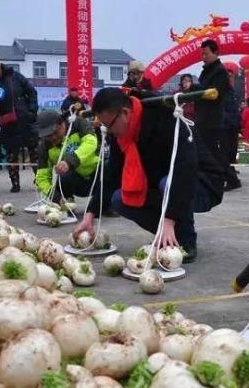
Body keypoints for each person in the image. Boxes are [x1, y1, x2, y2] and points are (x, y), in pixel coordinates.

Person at [75, 88, 224, 264]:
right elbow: (111, 174)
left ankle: (185, 240)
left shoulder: (165, 118)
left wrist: (169, 219)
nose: (109, 131)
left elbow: (184, 169)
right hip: (164, 184)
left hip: (200, 182)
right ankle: (169, 236)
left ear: (125, 112)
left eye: (110, 125)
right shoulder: (121, 135)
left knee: (167, 183)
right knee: (119, 199)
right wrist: (90, 213)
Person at [0, 53, 38, 192]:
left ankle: (40, 179)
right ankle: (15, 183)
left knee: (34, 152)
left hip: (26, 120)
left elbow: (31, 92)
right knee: (12, 155)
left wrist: (32, 111)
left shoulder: (15, 76)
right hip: (8, 125)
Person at [195, 39, 237, 190]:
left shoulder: (220, 71)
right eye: (202, 54)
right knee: (208, 151)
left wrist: (195, 88)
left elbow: (215, 94)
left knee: (214, 152)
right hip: (202, 116)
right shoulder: (205, 71)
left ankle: (231, 179)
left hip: (212, 118)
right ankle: (213, 178)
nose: (203, 56)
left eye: (206, 53)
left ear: (216, 53)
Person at [34, 109, 99, 201]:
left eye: (55, 132)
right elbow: (42, 177)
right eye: (48, 135)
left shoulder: (78, 123)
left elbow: (90, 143)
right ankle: (66, 202)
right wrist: (55, 197)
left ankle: (104, 203)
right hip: (75, 182)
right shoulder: (44, 146)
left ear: (62, 124)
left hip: (96, 175)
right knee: (63, 179)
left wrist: (69, 162)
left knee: (110, 170)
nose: (53, 137)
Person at [221, 68, 242, 183]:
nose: (229, 78)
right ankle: (228, 176)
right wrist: (227, 119)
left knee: (232, 150)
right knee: (226, 150)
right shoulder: (221, 91)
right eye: (227, 76)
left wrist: (238, 122)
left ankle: (230, 170)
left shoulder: (231, 91)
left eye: (231, 76)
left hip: (234, 126)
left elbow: (235, 109)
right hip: (224, 126)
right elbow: (220, 108)